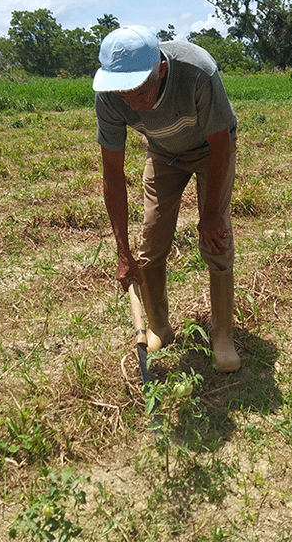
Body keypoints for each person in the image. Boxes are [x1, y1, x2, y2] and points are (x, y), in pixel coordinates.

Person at [93, 25, 240, 372]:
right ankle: (160, 326)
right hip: (162, 154)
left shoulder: (197, 72)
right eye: (123, 94)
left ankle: (222, 335)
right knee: (151, 240)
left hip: (210, 149)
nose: (131, 102)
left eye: (139, 92)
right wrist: (122, 252)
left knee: (216, 237)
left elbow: (221, 143)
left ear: (160, 70)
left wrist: (210, 215)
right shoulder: (111, 94)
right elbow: (112, 176)